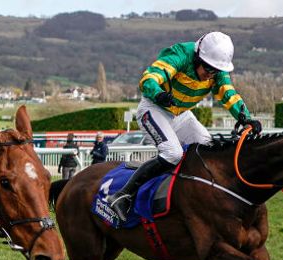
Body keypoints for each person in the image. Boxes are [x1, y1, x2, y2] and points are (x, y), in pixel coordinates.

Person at [107, 32, 261, 221]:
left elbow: (228, 94)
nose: (209, 75)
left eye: (214, 71)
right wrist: (158, 94)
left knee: (208, 149)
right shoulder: (181, 54)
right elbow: (149, 78)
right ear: (197, 56)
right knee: (173, 153)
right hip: (154, 108)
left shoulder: (216, 69)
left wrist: (247, 118)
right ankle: (123, 195)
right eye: (207, 68)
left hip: (181, 114)